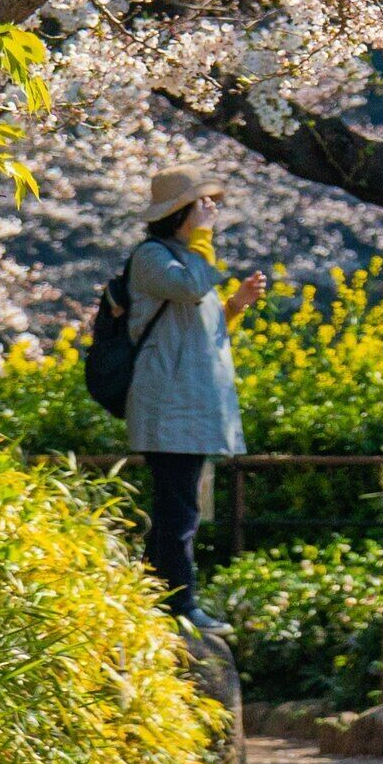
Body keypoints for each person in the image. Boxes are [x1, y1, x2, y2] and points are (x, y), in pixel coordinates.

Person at [123, 167, 267, 626]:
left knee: (176, 507)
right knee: (179, 510)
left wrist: (236, 306)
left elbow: (202, 328)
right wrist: (203, 239)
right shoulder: (152, 257)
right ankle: (181, 606)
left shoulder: (188, 260)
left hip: (189, 407)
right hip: (170, 408)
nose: (212, 212)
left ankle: (150, 601)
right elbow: (188, 288)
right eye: (203, 205)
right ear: (179, 213)